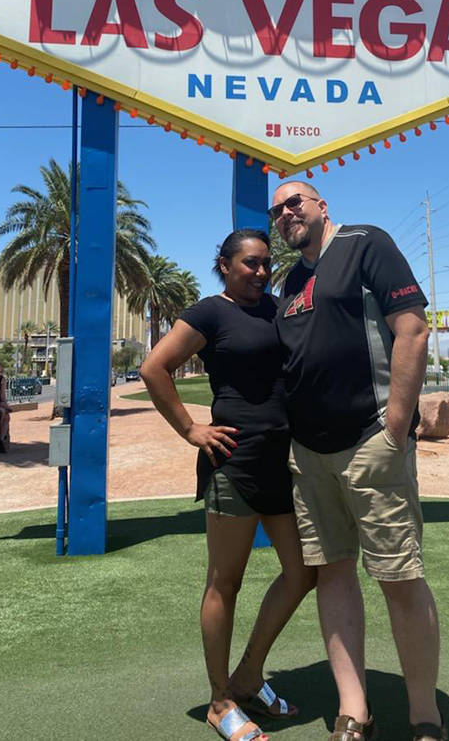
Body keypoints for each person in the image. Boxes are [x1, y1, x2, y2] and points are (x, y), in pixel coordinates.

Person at [270, 182, 444, 741]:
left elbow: (411, 329)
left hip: (370, 442)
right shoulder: (291, 280)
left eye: (295, 201)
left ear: (322, 205)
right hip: (310, 454)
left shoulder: (367, 243)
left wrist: (396, 424)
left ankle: (424, 715)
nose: (285, 213)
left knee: (400, 576)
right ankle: (354, 710)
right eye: (276, 210)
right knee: (334, 574)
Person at [141, 228, 316, 741]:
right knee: (226, 582)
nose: (261, 273)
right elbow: (155, 368)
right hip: (233, 461)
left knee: (304, 572)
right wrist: (191, 429)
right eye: (250, 264)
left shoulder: (278, 309)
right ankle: (219, 701)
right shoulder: (209, 313)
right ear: (224, 265)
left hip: (282, 462)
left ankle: (247, 675)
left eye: (266, 264)